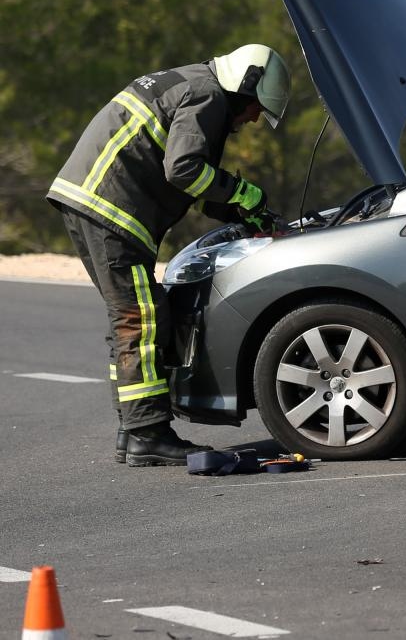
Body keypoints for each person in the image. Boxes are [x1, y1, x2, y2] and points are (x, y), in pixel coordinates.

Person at [47, 44, 290, 467]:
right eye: (255, 108)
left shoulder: (192, 83)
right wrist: (244, 192)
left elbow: (190, 181)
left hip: (90, 202)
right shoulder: (208, 96)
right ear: (244, 87)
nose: (253, 119)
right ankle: (147, 435)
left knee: (134, 315)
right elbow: (183, 169)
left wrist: (247, 210)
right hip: (111, 209)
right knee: (139, 320)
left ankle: (132, 429)